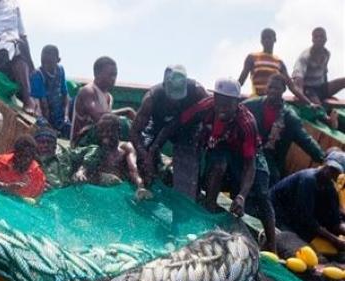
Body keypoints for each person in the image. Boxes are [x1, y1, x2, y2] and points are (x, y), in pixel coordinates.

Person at [177, 78, 276, 251]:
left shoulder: (247, 123)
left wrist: (241, 196)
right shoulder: (206, 107)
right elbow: (180, 121)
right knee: (217, 167)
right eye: (219, 101)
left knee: (261, 193)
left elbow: (249, 165)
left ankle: (272, 243)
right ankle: (208, 216)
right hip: (221, 146)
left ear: (237, 103)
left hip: (248, 154)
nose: (221, 107)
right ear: (214, 97)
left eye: (227, 104)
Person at [129, 65, 208, 190]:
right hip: (158, 125)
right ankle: (146, 186)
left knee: (188, 153)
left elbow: (210, 120)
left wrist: (202, 136)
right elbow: (134, 131)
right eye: (171, 96)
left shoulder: (198, 92)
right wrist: (143, 153)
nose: (175, 101)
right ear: (165, 85)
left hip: (187, 129)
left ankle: (189, 191)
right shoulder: (151, 98)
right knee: (145, 152)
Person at [242, 73, 324, 185]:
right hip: (247, 152)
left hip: (270, 159)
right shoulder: (252, 105)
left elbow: (305, 140)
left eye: (276, 88)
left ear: (283, 90)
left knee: (272, 178)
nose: (273, 91)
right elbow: (235, 113)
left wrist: (323, 158)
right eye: (270, 87)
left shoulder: (289, 116)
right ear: (266, 88)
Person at [70, 114, 150, 199]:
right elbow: (87, 163)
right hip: (98, 188)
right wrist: (81, 172)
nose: (105, 134)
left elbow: (133, 170)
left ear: (118, 131)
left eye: (109, 131)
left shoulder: (125, 148)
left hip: (117, 189)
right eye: (102, 131)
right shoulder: (97, 148)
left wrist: (140, 187)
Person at [271, 162, 345, 252]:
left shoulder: (329, 186)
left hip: (294, 217)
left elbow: (334, 218)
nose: (330, 173)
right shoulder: (308, 180)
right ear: (325, 165)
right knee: (292, 245)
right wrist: (334, 240)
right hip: (278, 213)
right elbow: (306, 218)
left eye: (335, 172)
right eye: (330, 169)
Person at [71, 56, 135, 147]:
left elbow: (106, 115)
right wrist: (125, 113)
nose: (113, 78)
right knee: (124, 124)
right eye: (110, 75)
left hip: (100, 141)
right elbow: (100, 118)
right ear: (97, 74)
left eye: (115, 75)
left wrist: (128, 111)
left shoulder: (108, 96)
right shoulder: (88, 91)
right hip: (82, 144)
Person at [238, 28, 313, 103]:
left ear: (274, 39)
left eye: (269, 37)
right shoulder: (252, 57)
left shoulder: (279, 62)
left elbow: (291, 86)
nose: (266, 40)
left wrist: (309, 103)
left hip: (274, 101)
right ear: (261, 41)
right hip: (257, 100)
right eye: (264, 38)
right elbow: (241, 81)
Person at [0, 134, 46, 198]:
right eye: (21, 156)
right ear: (14, 153)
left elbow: (35, 202)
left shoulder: (38, 176)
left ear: (33, 157)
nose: (24, 161)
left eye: (28, 157)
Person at [292, 27, 345, 105]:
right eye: (316, 37)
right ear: (312, 40)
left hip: (321, 87)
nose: (319, 39)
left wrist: (328, 93)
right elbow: (298, 78)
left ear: (325, 39)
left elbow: (324, 73)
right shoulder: (305, 56)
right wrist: (300, 95)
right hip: (308, 89)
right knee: (318, 107)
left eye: (321, 36)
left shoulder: (327, 54)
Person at [30, 45, 70, 136]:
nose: (46, 65)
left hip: (59, 113)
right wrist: (50, 127)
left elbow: (65, 95)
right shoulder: (37, 75)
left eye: (49, 62)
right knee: (43, 125)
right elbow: (43, 105)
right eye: (44, 62)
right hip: (43, 113)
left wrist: (66, 116)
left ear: (58, 60)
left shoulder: (60, 70)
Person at [34, 125, 72, 189]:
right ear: (35, 144)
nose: (45, 145)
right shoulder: (27, 158)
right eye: (42, 142)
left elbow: (92, 149)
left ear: (55, 145)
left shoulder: (64, 156)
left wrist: (82, 169)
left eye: (49, 142)